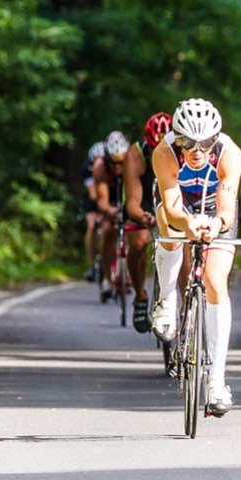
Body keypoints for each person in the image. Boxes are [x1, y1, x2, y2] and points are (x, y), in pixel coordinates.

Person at [150, 98, 241, 416]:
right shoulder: (164, 153)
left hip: (215, 208)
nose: (196, 149)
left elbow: (228, 210)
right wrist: (188, 223)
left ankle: (216, 382)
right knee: (168, 226)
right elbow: (173, 207)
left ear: (215, 139)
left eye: (204, 142)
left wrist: (215, 224)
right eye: (187, 141)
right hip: (181, 206)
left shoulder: (229, 154)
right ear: (176, 137)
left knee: (214, 281)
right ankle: (166, 301)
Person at [122, 113, 170, 332]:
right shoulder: (135, 154)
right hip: (143, 202)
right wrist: (143, 216)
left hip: (171, 200)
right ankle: (140, 294)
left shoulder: (182, 154)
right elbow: (132, 202)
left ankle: (183, 304)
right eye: (154, 150)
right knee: (139, 242)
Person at [92, 130, 131, 301]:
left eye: (120, 163)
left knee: (134, 230)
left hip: (127, 197)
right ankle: (107, 277)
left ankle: (127, 271)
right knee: (108, 230)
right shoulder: (100, 167)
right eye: (113, 164)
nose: (117, 168)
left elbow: (134, 194)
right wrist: (110, 211)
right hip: (110, 201)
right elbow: (101, 201)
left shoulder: (132, 163)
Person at [81, 141, 105, 282]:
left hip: (109, 198)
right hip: (93, 201)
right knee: (91, 226)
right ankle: (91, 265)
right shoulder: (87, 169)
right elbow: (93, 194)